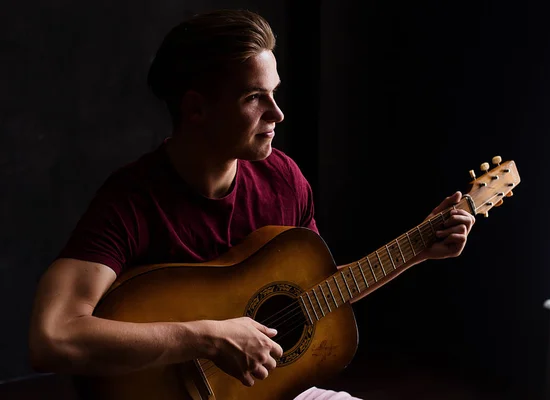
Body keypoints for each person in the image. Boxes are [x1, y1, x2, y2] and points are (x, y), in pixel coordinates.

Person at [27, 8, 476, 400]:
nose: (277, 114)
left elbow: (316, 291)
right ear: (196, 109)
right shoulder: (131, 200)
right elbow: (53, 336)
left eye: (274, 93)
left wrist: (419, 249)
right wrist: (205, 337)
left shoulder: (284, 179)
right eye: (253, 97)